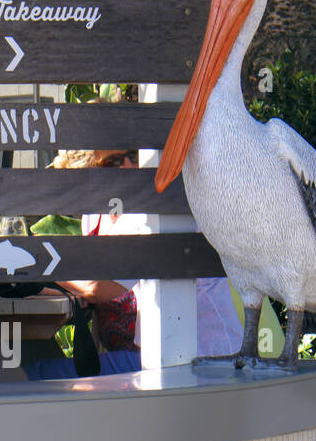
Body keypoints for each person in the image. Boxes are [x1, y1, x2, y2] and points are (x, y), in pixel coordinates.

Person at [26, 148, 245, 379]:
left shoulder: (145, 209)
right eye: (113, 161)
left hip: (196, 359)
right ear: (86, 171)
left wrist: (33, 271)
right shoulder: (97, 216)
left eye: (134, 156)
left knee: (35, 375)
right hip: (154, 356)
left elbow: (95, 287)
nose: (129, 167)